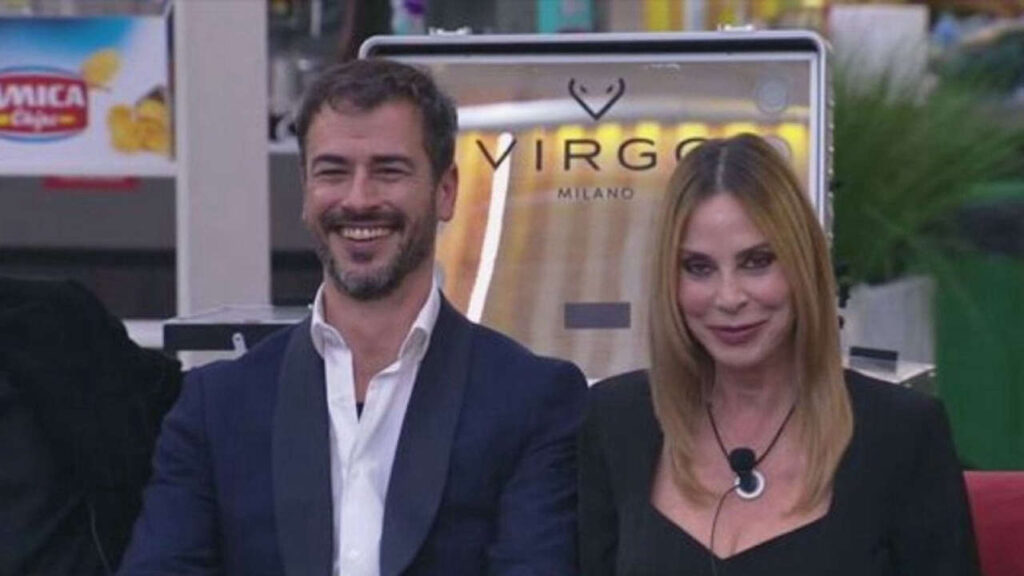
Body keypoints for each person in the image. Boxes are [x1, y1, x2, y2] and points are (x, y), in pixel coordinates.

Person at [119, 59, 587, 576]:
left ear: (446, 190)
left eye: (389, 170)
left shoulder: (532, 400)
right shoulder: (215, 408)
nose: (359, 199)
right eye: (333, 172)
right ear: (306, 190)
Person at [578, 134, 979, 575]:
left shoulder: (903, 433)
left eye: (757, 262)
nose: (729, 297)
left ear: (802, 266)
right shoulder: (615, 420)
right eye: (698, 268)